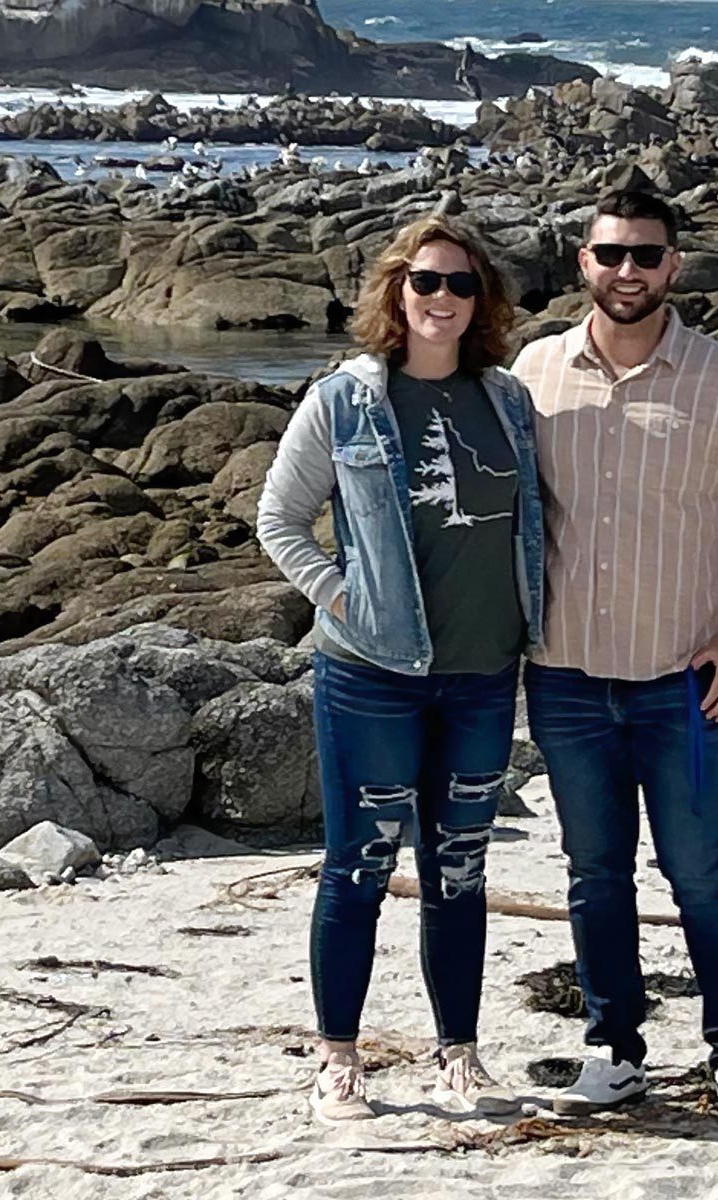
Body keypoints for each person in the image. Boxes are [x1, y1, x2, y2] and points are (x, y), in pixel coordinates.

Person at [511, 189, 718, 1133]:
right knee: (594, 872)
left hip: (686, 679)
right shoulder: (534, 373)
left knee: (701, 872)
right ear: (581, 263)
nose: (626, 273)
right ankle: (615, 1048)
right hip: (564, 673)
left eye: (645, 256)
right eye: (610, 256)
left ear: (674, 265)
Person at [256, 216, 544, 1124]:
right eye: (427, 282)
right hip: (370, 678)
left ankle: (457, 1054)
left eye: (462, 285)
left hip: (483, 677)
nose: (444, 300)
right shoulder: (343, 401)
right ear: (396, 291)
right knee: (359, 866)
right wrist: (345, 602)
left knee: (459, 868)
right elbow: (280, 521)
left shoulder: (508, 402)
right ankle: (338, 1059)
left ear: (483, 300)